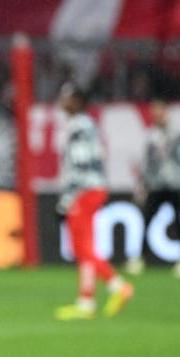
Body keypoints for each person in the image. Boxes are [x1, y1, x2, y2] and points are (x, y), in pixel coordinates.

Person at [54, 83, 133, 320]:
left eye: (66, 98)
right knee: (84, 246)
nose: (62, 102)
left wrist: (66, 199)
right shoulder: (87, 125)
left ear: (77, 101)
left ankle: (118, 286)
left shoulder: (78, 126)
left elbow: (80, 164)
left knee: (83, 247)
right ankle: (86, 301)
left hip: (84, 190)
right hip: (93, 188)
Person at [129, 97, 180, 277]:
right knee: (146, 220)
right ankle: (139, 259)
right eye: (154, 111)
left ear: (165, 111)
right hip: (156, 185)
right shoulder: (150, 135)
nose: (156, 114)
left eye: (159, 110)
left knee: (179, 222)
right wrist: (143, 184)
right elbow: (147, 163)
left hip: (175, 183)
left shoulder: (176, 133)